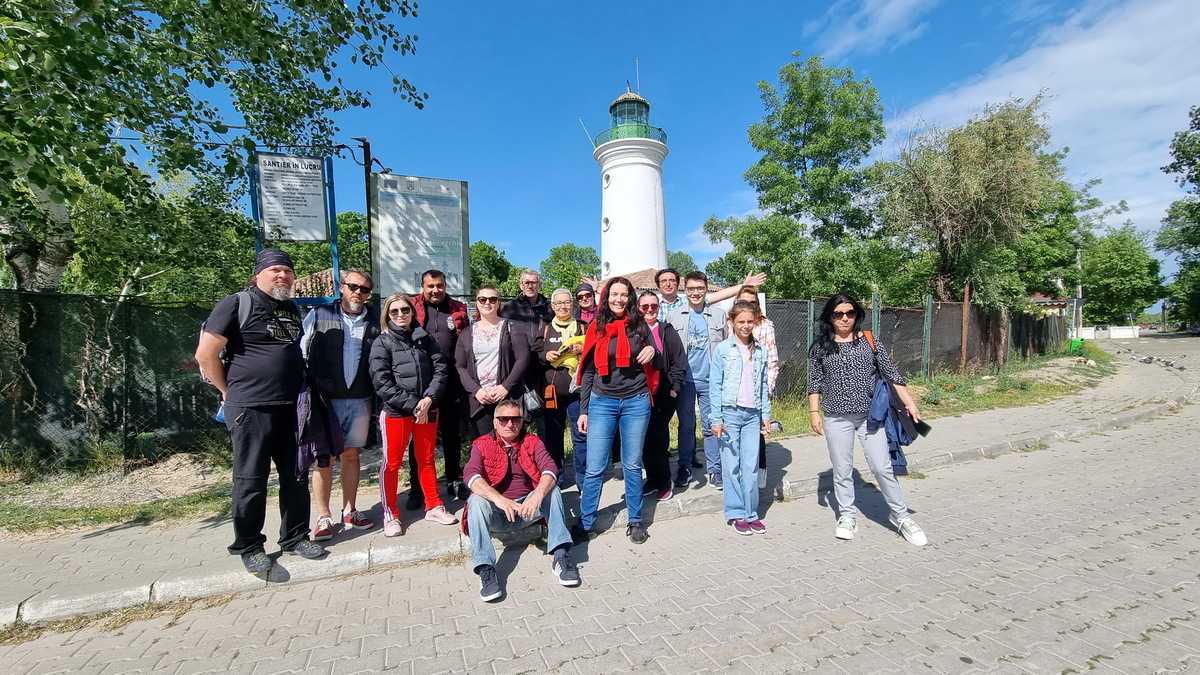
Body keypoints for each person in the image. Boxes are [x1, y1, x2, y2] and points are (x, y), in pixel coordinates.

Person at [195, 249, 325, 575]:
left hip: (291, 407)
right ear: (258, 274)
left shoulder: (290, 308)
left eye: (288, 271)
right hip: (250, 408)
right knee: (251, 480)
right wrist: (227, 392)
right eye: (275, 270)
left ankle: (295, 536)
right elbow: (205, 355)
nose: (283, 276)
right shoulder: (236, 303)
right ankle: (250, 546)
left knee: (295, 476)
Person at [808, 293, 928, 547]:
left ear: (857, 315)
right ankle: (847, 516)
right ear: (830, 317)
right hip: (836, 418)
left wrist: (909, 402)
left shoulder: (869, 341)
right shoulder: (821, 347)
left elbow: (892, 373)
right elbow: (814, 382)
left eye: (850, 313)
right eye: (838, 314)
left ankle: (901, 517)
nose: (845, 318)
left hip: (870, 417)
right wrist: (814, 412)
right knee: (842, 470)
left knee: (882, 467)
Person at [463, 399, 580, 601]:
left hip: (527, 510)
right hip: (497, 513)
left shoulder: (532, 441)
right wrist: (499, 500)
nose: (510, 424)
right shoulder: (481, 444)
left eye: (515, 419)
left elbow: (550, 468)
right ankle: (486, 569)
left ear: (522, 421)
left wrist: (537, 494)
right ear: (495, 422)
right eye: (504, 419)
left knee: (552, 490)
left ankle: (561, 556)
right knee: (476, 500)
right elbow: (471, 476)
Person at [574, 277, 660, 544]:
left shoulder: (639, 325)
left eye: (624, 294)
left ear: (629, 298)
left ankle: (635, 521)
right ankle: (586, 521)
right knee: (595, 467)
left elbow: (656, 357)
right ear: (606, 297)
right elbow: (588, 371)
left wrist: (651, 350)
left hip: (636, 401)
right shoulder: (596, 326)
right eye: (614, 294)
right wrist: (584, 410)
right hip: (602, 402)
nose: (619, 299)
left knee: (632, 464)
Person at [300, 270, 379, 542]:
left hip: (360, 398)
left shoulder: (374, 318)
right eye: (353, 286)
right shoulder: (320, 314)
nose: (358, 292)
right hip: (325, 399)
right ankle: (323, 516)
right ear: (342, 287)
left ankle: (350, 510)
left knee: (351, 455)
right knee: (323, 458)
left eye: (364, 289)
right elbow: (302, 351)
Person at [370, 292, 458, 533]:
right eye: (394, 311)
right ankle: (391, 514)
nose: (400, 314)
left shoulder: (424, 338)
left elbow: (440, 369)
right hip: (397, 412)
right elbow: (382, 382)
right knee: (392, 463)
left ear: (412, 312)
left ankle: (434, 505)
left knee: (426, 459)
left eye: (405, 310)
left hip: (427, 409)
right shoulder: (382, 342)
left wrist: (429, 399)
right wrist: (414, 405)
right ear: (387, 315)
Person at [409, 269, 471, 506]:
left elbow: (466, 340)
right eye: (430, 286)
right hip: (422, 383)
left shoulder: (457, 308)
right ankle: (417, 487)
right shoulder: (412, 307)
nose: (435, 290)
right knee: (420, 438)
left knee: (452, 435)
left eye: (440, 285)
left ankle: (454, 480)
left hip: (451, 382)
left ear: (445, 286)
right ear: (423, 287)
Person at [710, 301, 772, 535]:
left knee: (750, 466)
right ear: (732, 322)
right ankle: (736, 512)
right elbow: (715, 385)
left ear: (755, 322)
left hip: (752, 415)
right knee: (731, 466)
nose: (745, 326)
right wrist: (716, 419)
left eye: (749, 321)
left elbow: (763, 385)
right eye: (741, 321)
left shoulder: (761, 351)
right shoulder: (723, 350)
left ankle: (751, 513)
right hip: (730, 414)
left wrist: (766, 415)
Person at [666, 271, 728, 491]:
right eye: (691, 289)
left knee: (712, 426)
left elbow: (726, 348)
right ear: (685, 290)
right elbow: (669, 353)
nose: (695, 293)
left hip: (711, 381)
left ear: (706, 289)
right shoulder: (674, 316)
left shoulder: (719, 315)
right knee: (686, 425)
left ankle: (715, 470)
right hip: (685, 382)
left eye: (700, 288)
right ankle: (684, 467)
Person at [457, 284, 532, 439]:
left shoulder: (512, 327)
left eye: (492, 299)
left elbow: (523, 359)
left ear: (498, 303)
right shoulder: (467, 333)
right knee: (484, 445)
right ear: (477, 302)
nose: (487, 303)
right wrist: (476, 391)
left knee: (510, 443)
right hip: (480, 400)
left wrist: (506, 387)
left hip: (507, 397)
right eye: (482, 299)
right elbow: (460, 366)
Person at [638, 290, 687, 501]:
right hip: (639, 393)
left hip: (664, 392)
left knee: (657, 437)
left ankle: (665, 481)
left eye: (654, 306)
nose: (650, 310)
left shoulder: (667, 330)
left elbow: (679, 360)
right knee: (644, 438)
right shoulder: (633, 330)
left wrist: (675, 386)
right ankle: (652, 479)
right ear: (638, 308)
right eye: (645, 306)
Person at [730, 286, 779, 490]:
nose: (748, 305)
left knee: (757, 437)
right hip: (734, 392)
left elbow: (772, 361)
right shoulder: (730, 323)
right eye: (743, 301)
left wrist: (765, 391)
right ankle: (737, 479)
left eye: (752, 302)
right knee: (734, 440)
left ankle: (758, 479)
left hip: (757, 392)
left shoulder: (765, 325)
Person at [539, 288, 588, 484]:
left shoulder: (582, 327)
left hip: (578, 392)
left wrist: (582, 348)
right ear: (552, 306)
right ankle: (556, 480)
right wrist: (545, 355)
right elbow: (534, 352)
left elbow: (595, 352)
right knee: (553, 437)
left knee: (581, 435)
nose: (563, 306)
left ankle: (584, 480)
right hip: (552, 392)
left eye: (566, 302)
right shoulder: (544, 328)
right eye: (558, 303)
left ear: (572, 304)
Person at [654, 268, 768, 322]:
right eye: (663, 281)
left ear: (678, 284)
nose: (668, 284)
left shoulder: (689, 302)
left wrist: (743, 285)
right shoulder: (651, 306)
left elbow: (720, 295)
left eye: (672, 280)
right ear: (658, 285)